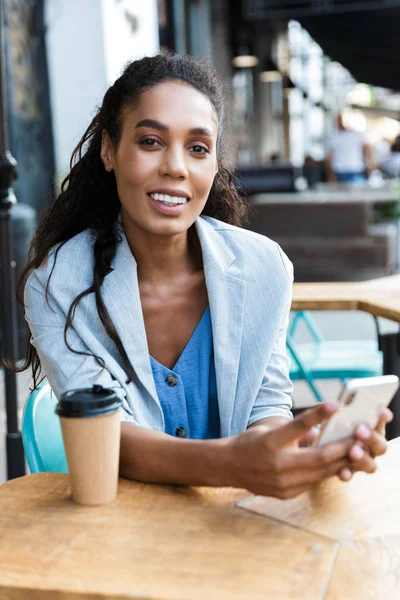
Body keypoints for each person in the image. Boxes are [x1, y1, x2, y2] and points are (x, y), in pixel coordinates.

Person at [14, 54, 390, 499]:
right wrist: (234, 463)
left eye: (198, 148)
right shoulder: (58, 284)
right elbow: (106, 433)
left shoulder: (263, 266)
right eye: (151, 141)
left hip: (238, 526)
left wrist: (297, 448)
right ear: (109, 150)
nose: (177, 166)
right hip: (123, 535)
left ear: (214, 165)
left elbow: (266, 406)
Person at [325, 114, 373, 184]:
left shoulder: (356, 135)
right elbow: (329, 157)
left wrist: (369, 165)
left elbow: (367, 151)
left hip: (355, 169)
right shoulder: (333, 136)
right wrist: (330, 174)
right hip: (340, 170)